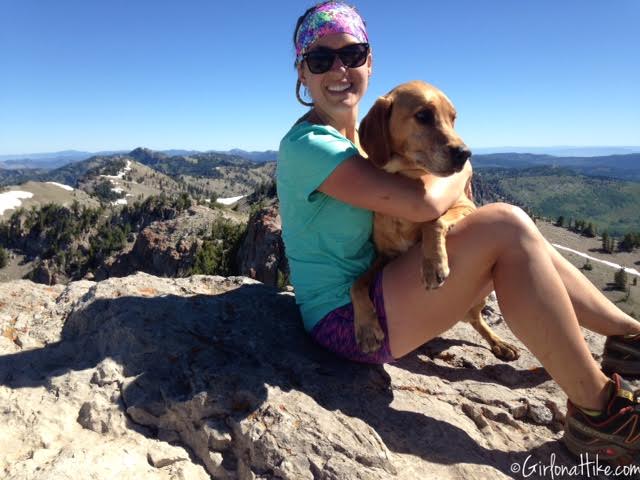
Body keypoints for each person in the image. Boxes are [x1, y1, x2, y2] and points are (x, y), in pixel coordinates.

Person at [276, 0, 640, 464]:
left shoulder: (357, 145)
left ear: (369, 62)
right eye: (320, 59)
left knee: (517, 230)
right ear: (302, 74)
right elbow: (424, 203)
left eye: (352, 54)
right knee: (505, 223)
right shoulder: (309, 145)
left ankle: (628, 337)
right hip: (345, 322)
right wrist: (460, 169)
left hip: (390, 289)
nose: (339, 69)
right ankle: (600, 416)